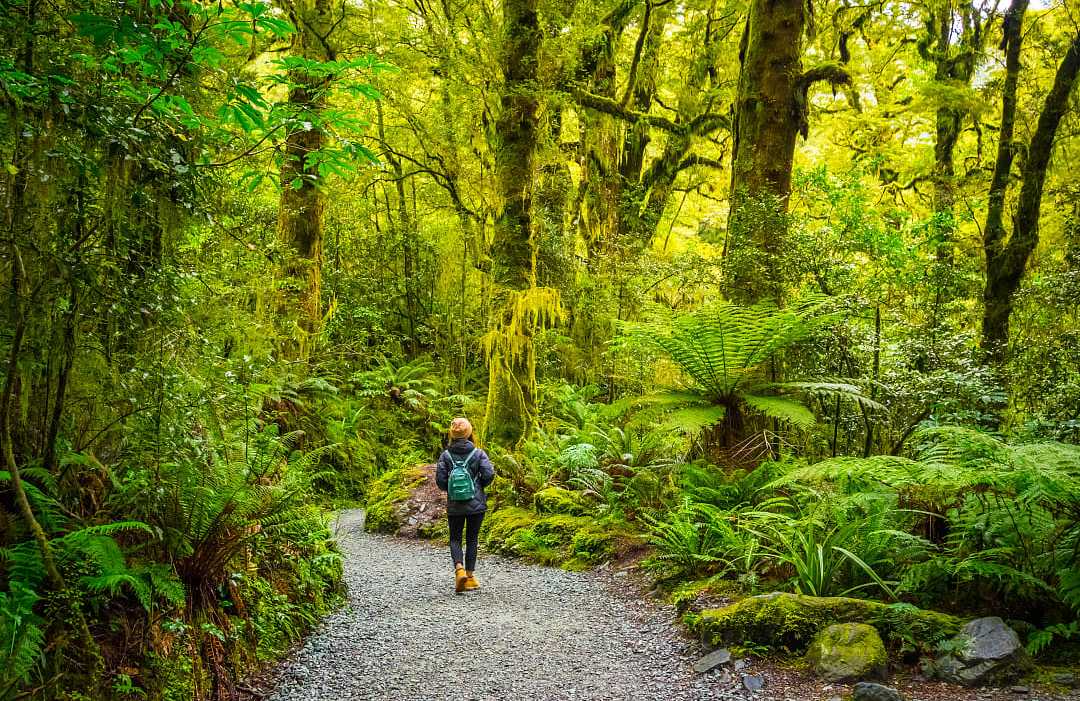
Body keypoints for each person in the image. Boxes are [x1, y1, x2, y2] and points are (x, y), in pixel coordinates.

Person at [435, 417, 495, 593]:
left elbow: (440, 481)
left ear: (452, 435)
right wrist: (478, 487)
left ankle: (459, 569)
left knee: (455, 538)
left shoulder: (445, 455)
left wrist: (452, 491)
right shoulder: (478, 453)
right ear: (469, 433)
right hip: (476, 505)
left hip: (455, 505)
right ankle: (469, 576)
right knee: (472, 539)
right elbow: (489, 474)